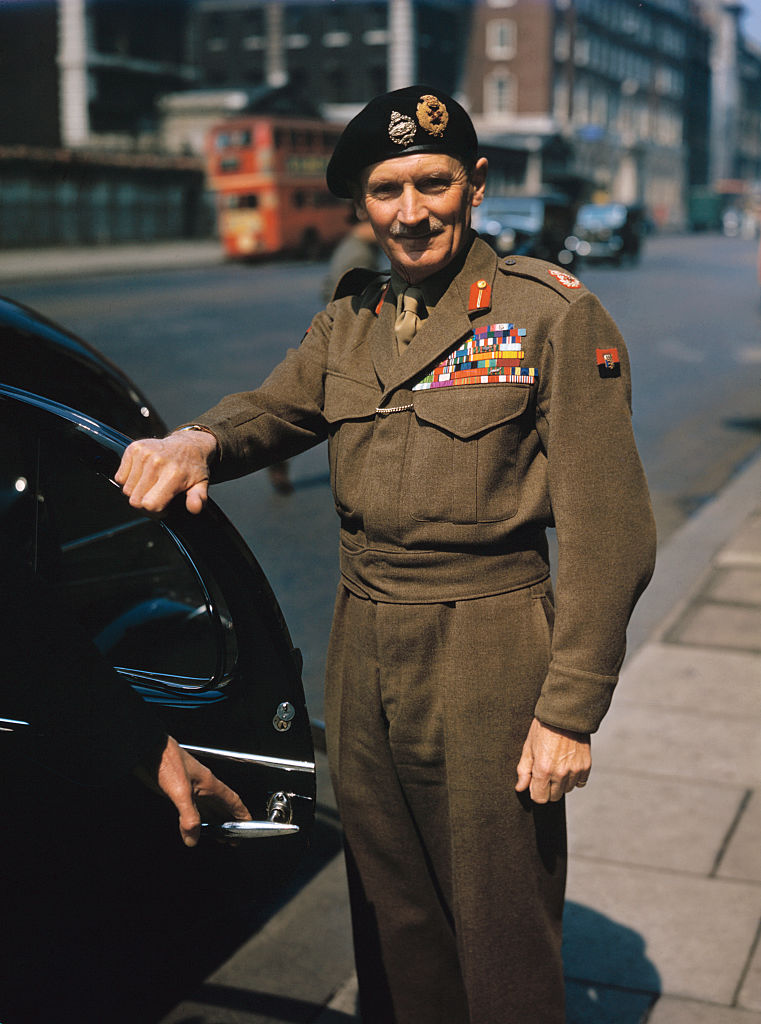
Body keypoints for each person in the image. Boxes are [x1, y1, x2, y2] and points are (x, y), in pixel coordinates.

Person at [115, 85, 656, 1023]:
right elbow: (279, 408)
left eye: (433, 182)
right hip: (364, 645)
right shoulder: (351, 316)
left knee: (499, 922)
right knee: (391, 908)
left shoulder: (549, 318)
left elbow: (611, 532)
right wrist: (197, 441)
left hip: (487, 644)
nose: (412, 212)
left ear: (474, 183)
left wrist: (569, 710)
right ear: (360, 206)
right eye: (386, 191)